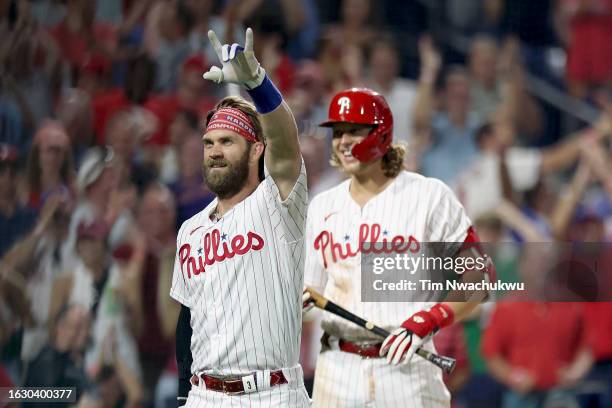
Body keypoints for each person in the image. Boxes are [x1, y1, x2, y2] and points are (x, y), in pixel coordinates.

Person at [302, 88, 492, 406]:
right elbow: (311, 295)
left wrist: (430, 319)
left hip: (407, 371)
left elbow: (479, 279)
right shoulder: (322, 206)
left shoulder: (429, 196)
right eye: (338, 132)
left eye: (354, 130)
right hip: (336, 369)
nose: (342, 141)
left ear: (381, 134)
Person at [170, 28, 309, 407]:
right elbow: (188, 322)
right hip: (204, 395)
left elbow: (286, 145)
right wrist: (185, 394)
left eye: (227, 142)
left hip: (272, 393)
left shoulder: (277, 201)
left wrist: (256, 83)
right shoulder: (190, 230)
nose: (214, 151)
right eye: (208, 143)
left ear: (255, 150)